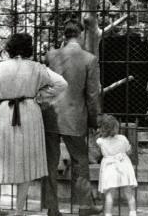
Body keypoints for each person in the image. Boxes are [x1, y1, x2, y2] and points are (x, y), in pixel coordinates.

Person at [0, 32, 67, 215]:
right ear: (29, 48)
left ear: (10, 48)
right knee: (26, 161)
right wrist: (41, 96)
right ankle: (19, 211)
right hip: (30, 112)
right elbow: (61, 84)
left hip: (5, 113)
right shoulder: (36, 67)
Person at [44, 21, 102, 216]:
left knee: (50, 162)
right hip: (76, 117)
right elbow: (92, 95)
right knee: (80, 161)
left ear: (64, 36)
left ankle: (52, 208)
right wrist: (93, 120)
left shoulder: (51, 56)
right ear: (81, 35)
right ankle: (85, 206)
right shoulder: (89, 59)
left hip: (50, 115)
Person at [95, 114, 138, 216]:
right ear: (116, 127)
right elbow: (129, 151)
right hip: (123, 166)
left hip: (109, 168)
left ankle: (108, 214)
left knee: (109, 195)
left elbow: (99, 152)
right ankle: (133, 213)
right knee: (129, 193)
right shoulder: (123, 138)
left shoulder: (100, 141)